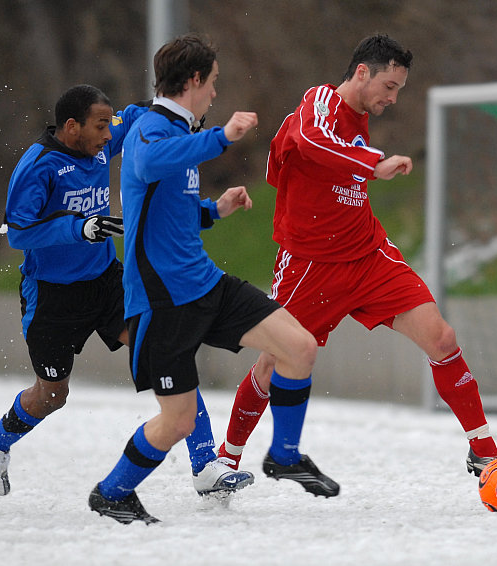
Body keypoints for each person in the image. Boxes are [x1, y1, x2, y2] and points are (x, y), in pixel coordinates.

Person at [216, 34, 497, 487]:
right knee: (274, 365)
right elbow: (309, 142)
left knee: (442, 337)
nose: (393, 98)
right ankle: (225, 462)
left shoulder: (358, 119)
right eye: (389, 86)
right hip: (312, 264)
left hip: (368, 254)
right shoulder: (318, 101)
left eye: (399, 90)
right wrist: (372, 165)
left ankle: (485, 454)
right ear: (363, 72)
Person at [87, 34, 322, 525]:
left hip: (206, 285)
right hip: (162, 301)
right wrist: (224, 137)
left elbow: (167, 210)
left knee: (299, 346)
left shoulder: (176, 131)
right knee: (177, 422)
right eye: (213, 83)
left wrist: (215, 209)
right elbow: (149, 164)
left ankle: (283, 453)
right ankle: (111, 493)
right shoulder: (150, 128)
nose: (216, 93)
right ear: (193, 81)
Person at [0, 84, 253, 499]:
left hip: (108, 283)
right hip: (52, 297)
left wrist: (185, 114)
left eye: (110, 126)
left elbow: (143, 115)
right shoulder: (39, 165)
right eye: (100, 126)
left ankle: (205, 467)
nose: (109, 135)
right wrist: (78, 226)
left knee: (166, 350)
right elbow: (17, 231)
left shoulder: (103, 139)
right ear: (72, 127)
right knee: (51, 396)